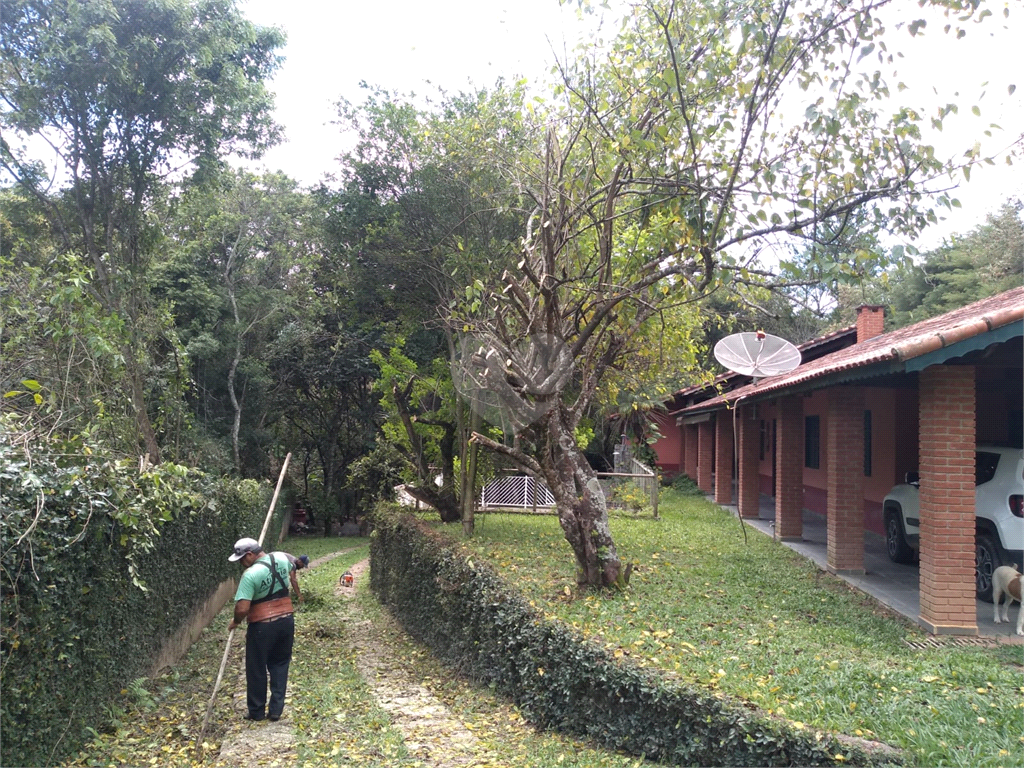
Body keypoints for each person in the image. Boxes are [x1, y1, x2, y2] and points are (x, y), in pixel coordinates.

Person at [227, 537, 298, 722]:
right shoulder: (282, 558)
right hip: (286, 621)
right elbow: (294, 567)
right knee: (280, 664)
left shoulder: (250, 575)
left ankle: (256, 712)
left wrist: (236, 621)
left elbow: (242, 608)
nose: (241, 564)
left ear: (250, 555)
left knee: (256, 668)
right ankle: (276, 710)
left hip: (262, 626)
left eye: (242, 559)